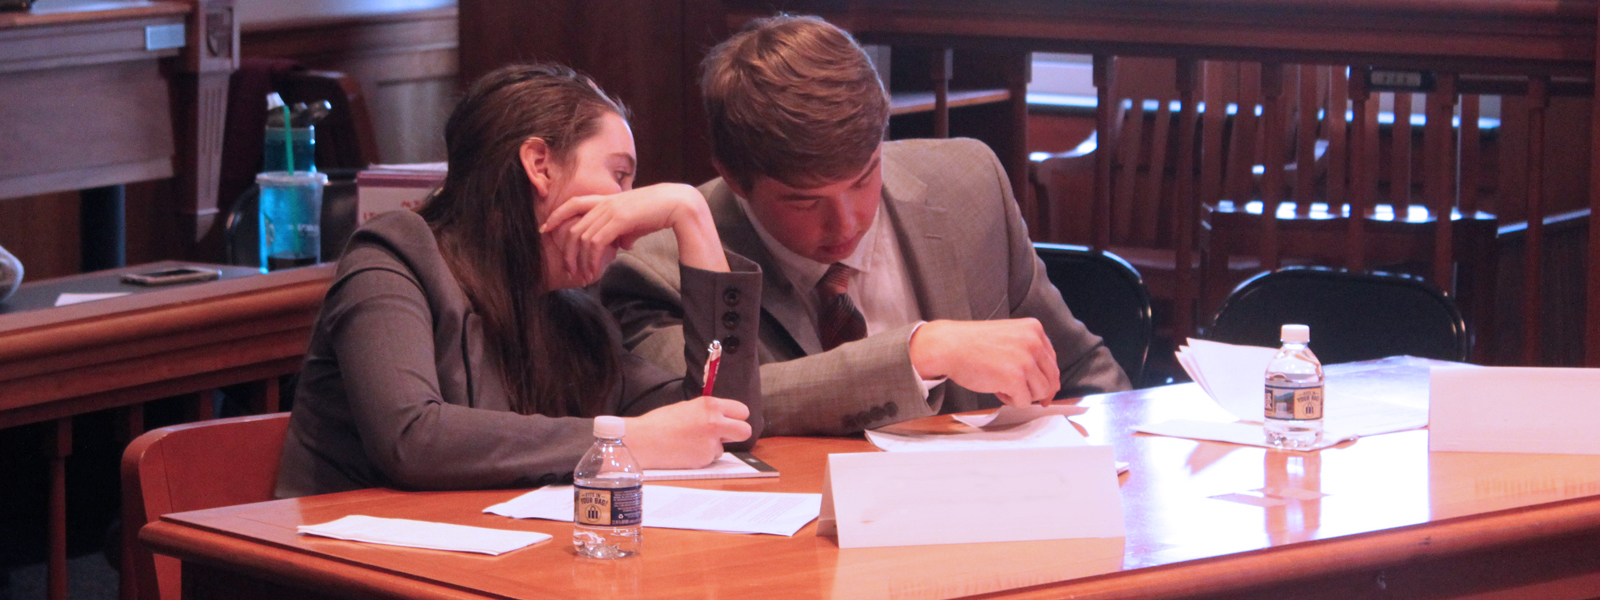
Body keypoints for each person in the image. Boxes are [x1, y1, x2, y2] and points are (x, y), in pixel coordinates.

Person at [601, 15, 1129, 437]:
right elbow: (700, 407)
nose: (848, 221)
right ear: (735, 180)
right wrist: (920, 351)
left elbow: (1083, 370)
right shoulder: (657, 262)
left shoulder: (970, 183)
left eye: (863, 178)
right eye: (805, 202)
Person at [276, 64, 763, 498]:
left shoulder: (573, 310)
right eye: (619, 177)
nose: (631, 220)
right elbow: (412, 438)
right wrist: (623, 437)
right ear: (539, 165)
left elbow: (724, 419)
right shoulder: (391, 260)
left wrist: (692, 216)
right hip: (346, 570)